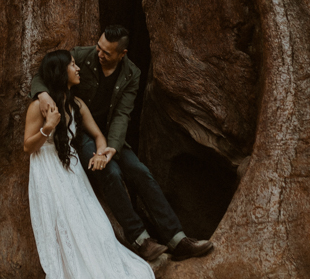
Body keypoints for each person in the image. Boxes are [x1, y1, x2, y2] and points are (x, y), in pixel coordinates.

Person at [31, 26, 214, 264]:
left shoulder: (131, 73)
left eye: (106, 52)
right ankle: (141, 239)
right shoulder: (82, 56)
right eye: (99, 47)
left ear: (122, 53)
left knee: (139, 171)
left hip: (111, 134)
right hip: (83, 132)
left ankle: (177, 239)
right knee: (109, 171)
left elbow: (122, 114)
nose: (100, 54)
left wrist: (111, 148)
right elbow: (44, 72)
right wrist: (42, 94)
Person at [24, 49, 158, 279]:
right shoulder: (38, 107)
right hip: (48, 175)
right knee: (64, 242)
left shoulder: (78, 104)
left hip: (72, 173)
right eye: (72, 65)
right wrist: (47, 129)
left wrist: (100, 154)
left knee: (93, 230)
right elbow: (28, 146)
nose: (78, 68)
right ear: (61, 72)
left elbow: (98, 136)